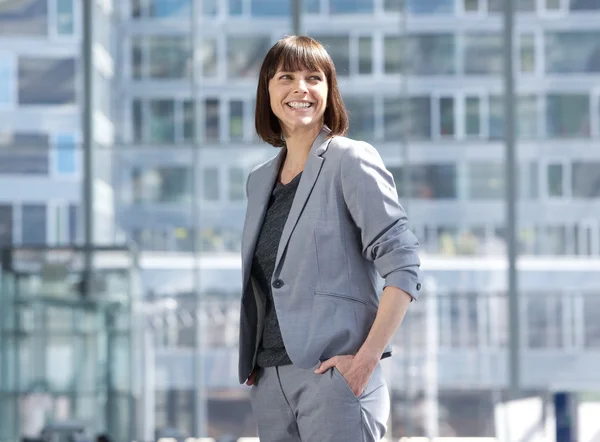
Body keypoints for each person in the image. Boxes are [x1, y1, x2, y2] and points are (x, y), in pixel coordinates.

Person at [238, 35, 421, 442]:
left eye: (313, 78)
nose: (300, 88)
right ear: (267, 89)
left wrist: (365, 361)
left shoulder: (349, 159)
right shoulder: (258, 181)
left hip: (334, 377)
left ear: (328, 90)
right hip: (270, 382)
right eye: (286, 76)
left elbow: (403, 264)